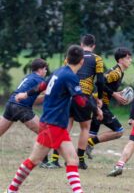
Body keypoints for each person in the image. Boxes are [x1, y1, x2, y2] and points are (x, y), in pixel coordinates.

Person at [4, 45, 101, 193]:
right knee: (33, 161)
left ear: (67, 59)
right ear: (82, 61)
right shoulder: (70, 77)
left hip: (57, 125)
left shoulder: (59, 71)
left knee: (72, 160)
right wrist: (95, 108)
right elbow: (80, 101)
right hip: (52, 125)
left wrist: (26, 94)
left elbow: (42, 85)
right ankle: (11, 190)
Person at [44, 34, 105, 169]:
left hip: (69, 95)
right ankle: (81, 159)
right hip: (84, 96)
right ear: (93, 46)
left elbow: (63, 72)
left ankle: (54, 159)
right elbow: (100, 81)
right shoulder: (97, 59)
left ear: (81, 44)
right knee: (85, 127)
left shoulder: (70, 57)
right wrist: (99, 98)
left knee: (66, 126)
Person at [86, 47, 132, 159]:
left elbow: (105, 85)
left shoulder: (119, 72)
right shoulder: (116, 73)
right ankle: (89, 143)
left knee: (92, 132)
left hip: (96, 102)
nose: (130, 60)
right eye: (128, 58)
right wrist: (114, 94)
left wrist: (116, 92)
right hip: (100, 103)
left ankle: (80, 156)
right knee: (119, 131)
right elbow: (99, 83)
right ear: (120, 60)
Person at [0, 58, 47, 138]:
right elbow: (50, 94)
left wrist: (44, 98)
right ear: (40, 70)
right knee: (46, 134)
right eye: (45, 69)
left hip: (10, 104)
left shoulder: (28, 77)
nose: (46, 71)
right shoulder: (39, 80)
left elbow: (33, 100)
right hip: (21, 108)